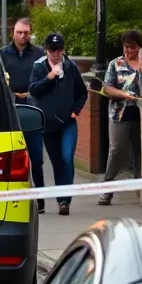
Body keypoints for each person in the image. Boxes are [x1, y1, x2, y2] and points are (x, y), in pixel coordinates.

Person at [28, 33, 87, 217]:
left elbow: (82, 93)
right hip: (48, 123)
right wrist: (50, 77)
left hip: (68, 122)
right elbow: (33, 89)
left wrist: (75, 110)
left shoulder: (70, 67)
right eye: (52, 50)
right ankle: (60, 196)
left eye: (59, 50)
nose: (56, 54)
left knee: (67, 158)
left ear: (63, 50)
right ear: (46, 50)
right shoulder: (38, 66)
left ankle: (64, 201)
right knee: (57, 162)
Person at [97, 29, 142, 206]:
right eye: (125, 46)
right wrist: (123, 94)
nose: (127, 50)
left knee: (141, 153)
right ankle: (107, 189)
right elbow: (107, 88)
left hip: (141, 116)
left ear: (139, 48)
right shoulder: (116, 64)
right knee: (117, 151)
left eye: (132, 47)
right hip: (119, 115)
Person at [0, 18, 46, 211]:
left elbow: (45, 79)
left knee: (36, 155)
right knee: (11, 155)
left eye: (26, 32)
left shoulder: (39, 54)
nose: (23, 36)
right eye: (19, 32)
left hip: (32, 105)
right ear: (13, 33)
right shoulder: (2, 54)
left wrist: (33, 92)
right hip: (10, 106)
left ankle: (40, 197)